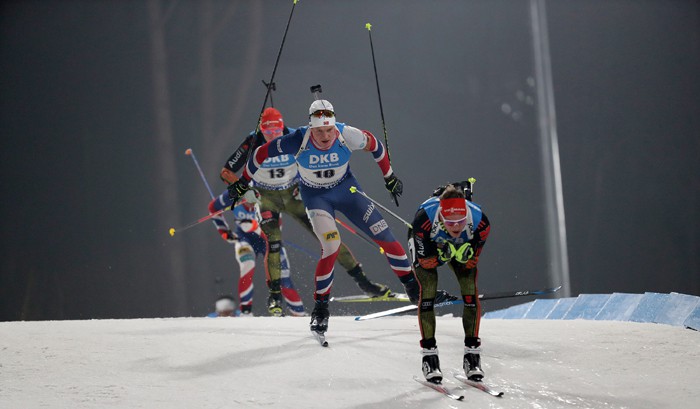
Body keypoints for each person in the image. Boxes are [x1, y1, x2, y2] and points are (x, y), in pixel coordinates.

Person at [227, 100, 420, 336]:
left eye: (329, 129)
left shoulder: (346, 133)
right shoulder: (298, 139)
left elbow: (376, 146)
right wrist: (243, 182)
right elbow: (258, 154)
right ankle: (320, 309)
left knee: (385, 236)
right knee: (330, 245)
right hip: (316, 198)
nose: (326, 136)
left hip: (348, 193)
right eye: (319, 131)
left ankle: (415, 290)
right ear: (311, 127)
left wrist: (389, 177)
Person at [407, 181, 491, 384]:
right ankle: (430, 358)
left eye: (461, 221)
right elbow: (426, 260)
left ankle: (472, 357)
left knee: (469, 291)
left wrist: (469, 257)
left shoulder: (481, 222)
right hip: (430, 244)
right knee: (427, 290)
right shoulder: (424, 219)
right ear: (440, 215)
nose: (456, 226)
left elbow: (473, 256)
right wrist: (437, 257)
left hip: (461, 245)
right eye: (450, 222)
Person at [208, 190, 305, 316]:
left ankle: (298, 314)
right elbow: (213, 208)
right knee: (247, 264)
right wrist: (225, 232)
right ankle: (246, 312)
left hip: (269, 241)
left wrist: (254, 226)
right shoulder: (235, 192)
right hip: (245, 240)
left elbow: (276, 230)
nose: (250, 204)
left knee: (282, 278)